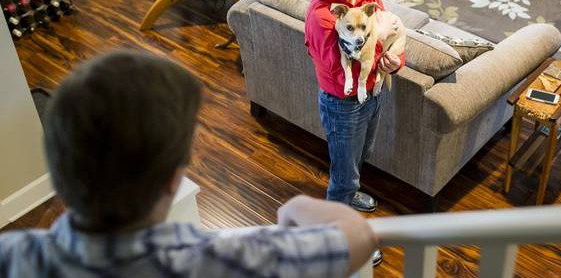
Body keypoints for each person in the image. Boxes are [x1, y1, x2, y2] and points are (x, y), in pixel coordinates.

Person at [0, 50, 377, 277]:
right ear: (172, 178)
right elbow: (357, 237)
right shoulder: (220, 261)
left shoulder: (15, 255)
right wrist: (295, 206)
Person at [304, 0, 404, 217]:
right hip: (342, 104)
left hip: (372, 93)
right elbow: (338, 73)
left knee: (362, 155)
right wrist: (378, 37)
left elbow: (392, 36)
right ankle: (337, 223)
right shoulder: (322, 17)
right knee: (344, 173)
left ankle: (351, 192)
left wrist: (396, 62)